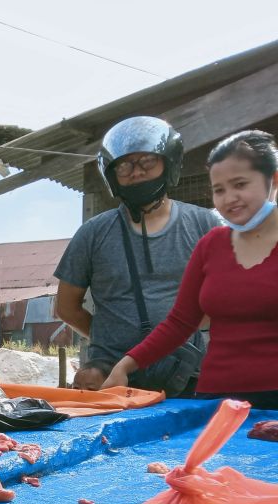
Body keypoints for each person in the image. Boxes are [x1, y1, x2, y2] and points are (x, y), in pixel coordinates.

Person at [103, 130, 278, 408]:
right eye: (219, 189)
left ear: (273, 180)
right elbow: (180, 323)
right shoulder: (211, 245)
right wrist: (125, 365)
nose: (229, 198)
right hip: (215, 399)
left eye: (240, 184)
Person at [53, 117, 219, 395]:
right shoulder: (93, 233)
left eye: (147, 162)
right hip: (110, 376)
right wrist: (107, 338)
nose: (136, 172)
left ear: (169, 163)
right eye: (124, 165)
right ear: (111, 173)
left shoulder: (204, 225)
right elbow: (67, 307)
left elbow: (221, 299)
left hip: (184, 373)